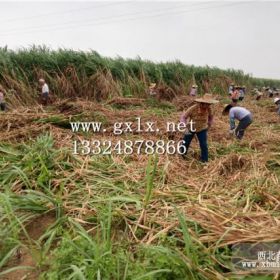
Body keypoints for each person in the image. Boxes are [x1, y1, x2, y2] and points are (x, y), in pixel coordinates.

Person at [179, 93, 219, 162]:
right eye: (206, 104)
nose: (207, 105)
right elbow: (184, 117)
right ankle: (182, 157)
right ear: (202, 102)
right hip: (191, 127)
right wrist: (183, 124)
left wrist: (209, 124)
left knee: (204, 145)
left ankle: (204, 160)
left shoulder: (209, 109)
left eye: (209, 104)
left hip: (202, 128)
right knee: (185, 143)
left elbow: (211, 117)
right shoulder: (193, 108)